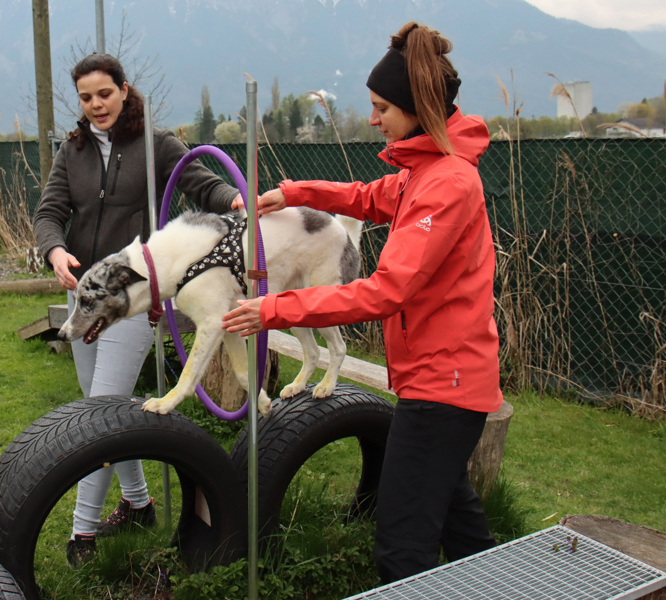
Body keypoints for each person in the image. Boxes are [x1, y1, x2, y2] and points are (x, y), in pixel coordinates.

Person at [221, 22, 502, 584]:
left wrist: (275, 310)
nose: (374, 119)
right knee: (459, 525)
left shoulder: (446, 184)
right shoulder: (425, 171)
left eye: (381, 108)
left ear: (417, 106)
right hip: (442, 381)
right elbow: (371, 197)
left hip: (443, 389)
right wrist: (297, 192)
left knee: (401, 548)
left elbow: (385, 291)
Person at [34, 52, 241, 569]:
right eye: (85, 97)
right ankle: (140, 503)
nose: (96, 105)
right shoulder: (73, 149)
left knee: (100, 410)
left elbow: (201, 184)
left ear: (124, 90)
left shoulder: (157, 144)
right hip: (84, 297)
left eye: (104, 93)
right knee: (103, 406)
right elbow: (50, 211)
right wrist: (56, 251)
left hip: (133, 299)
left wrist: (234, 200)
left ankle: (82, 534)